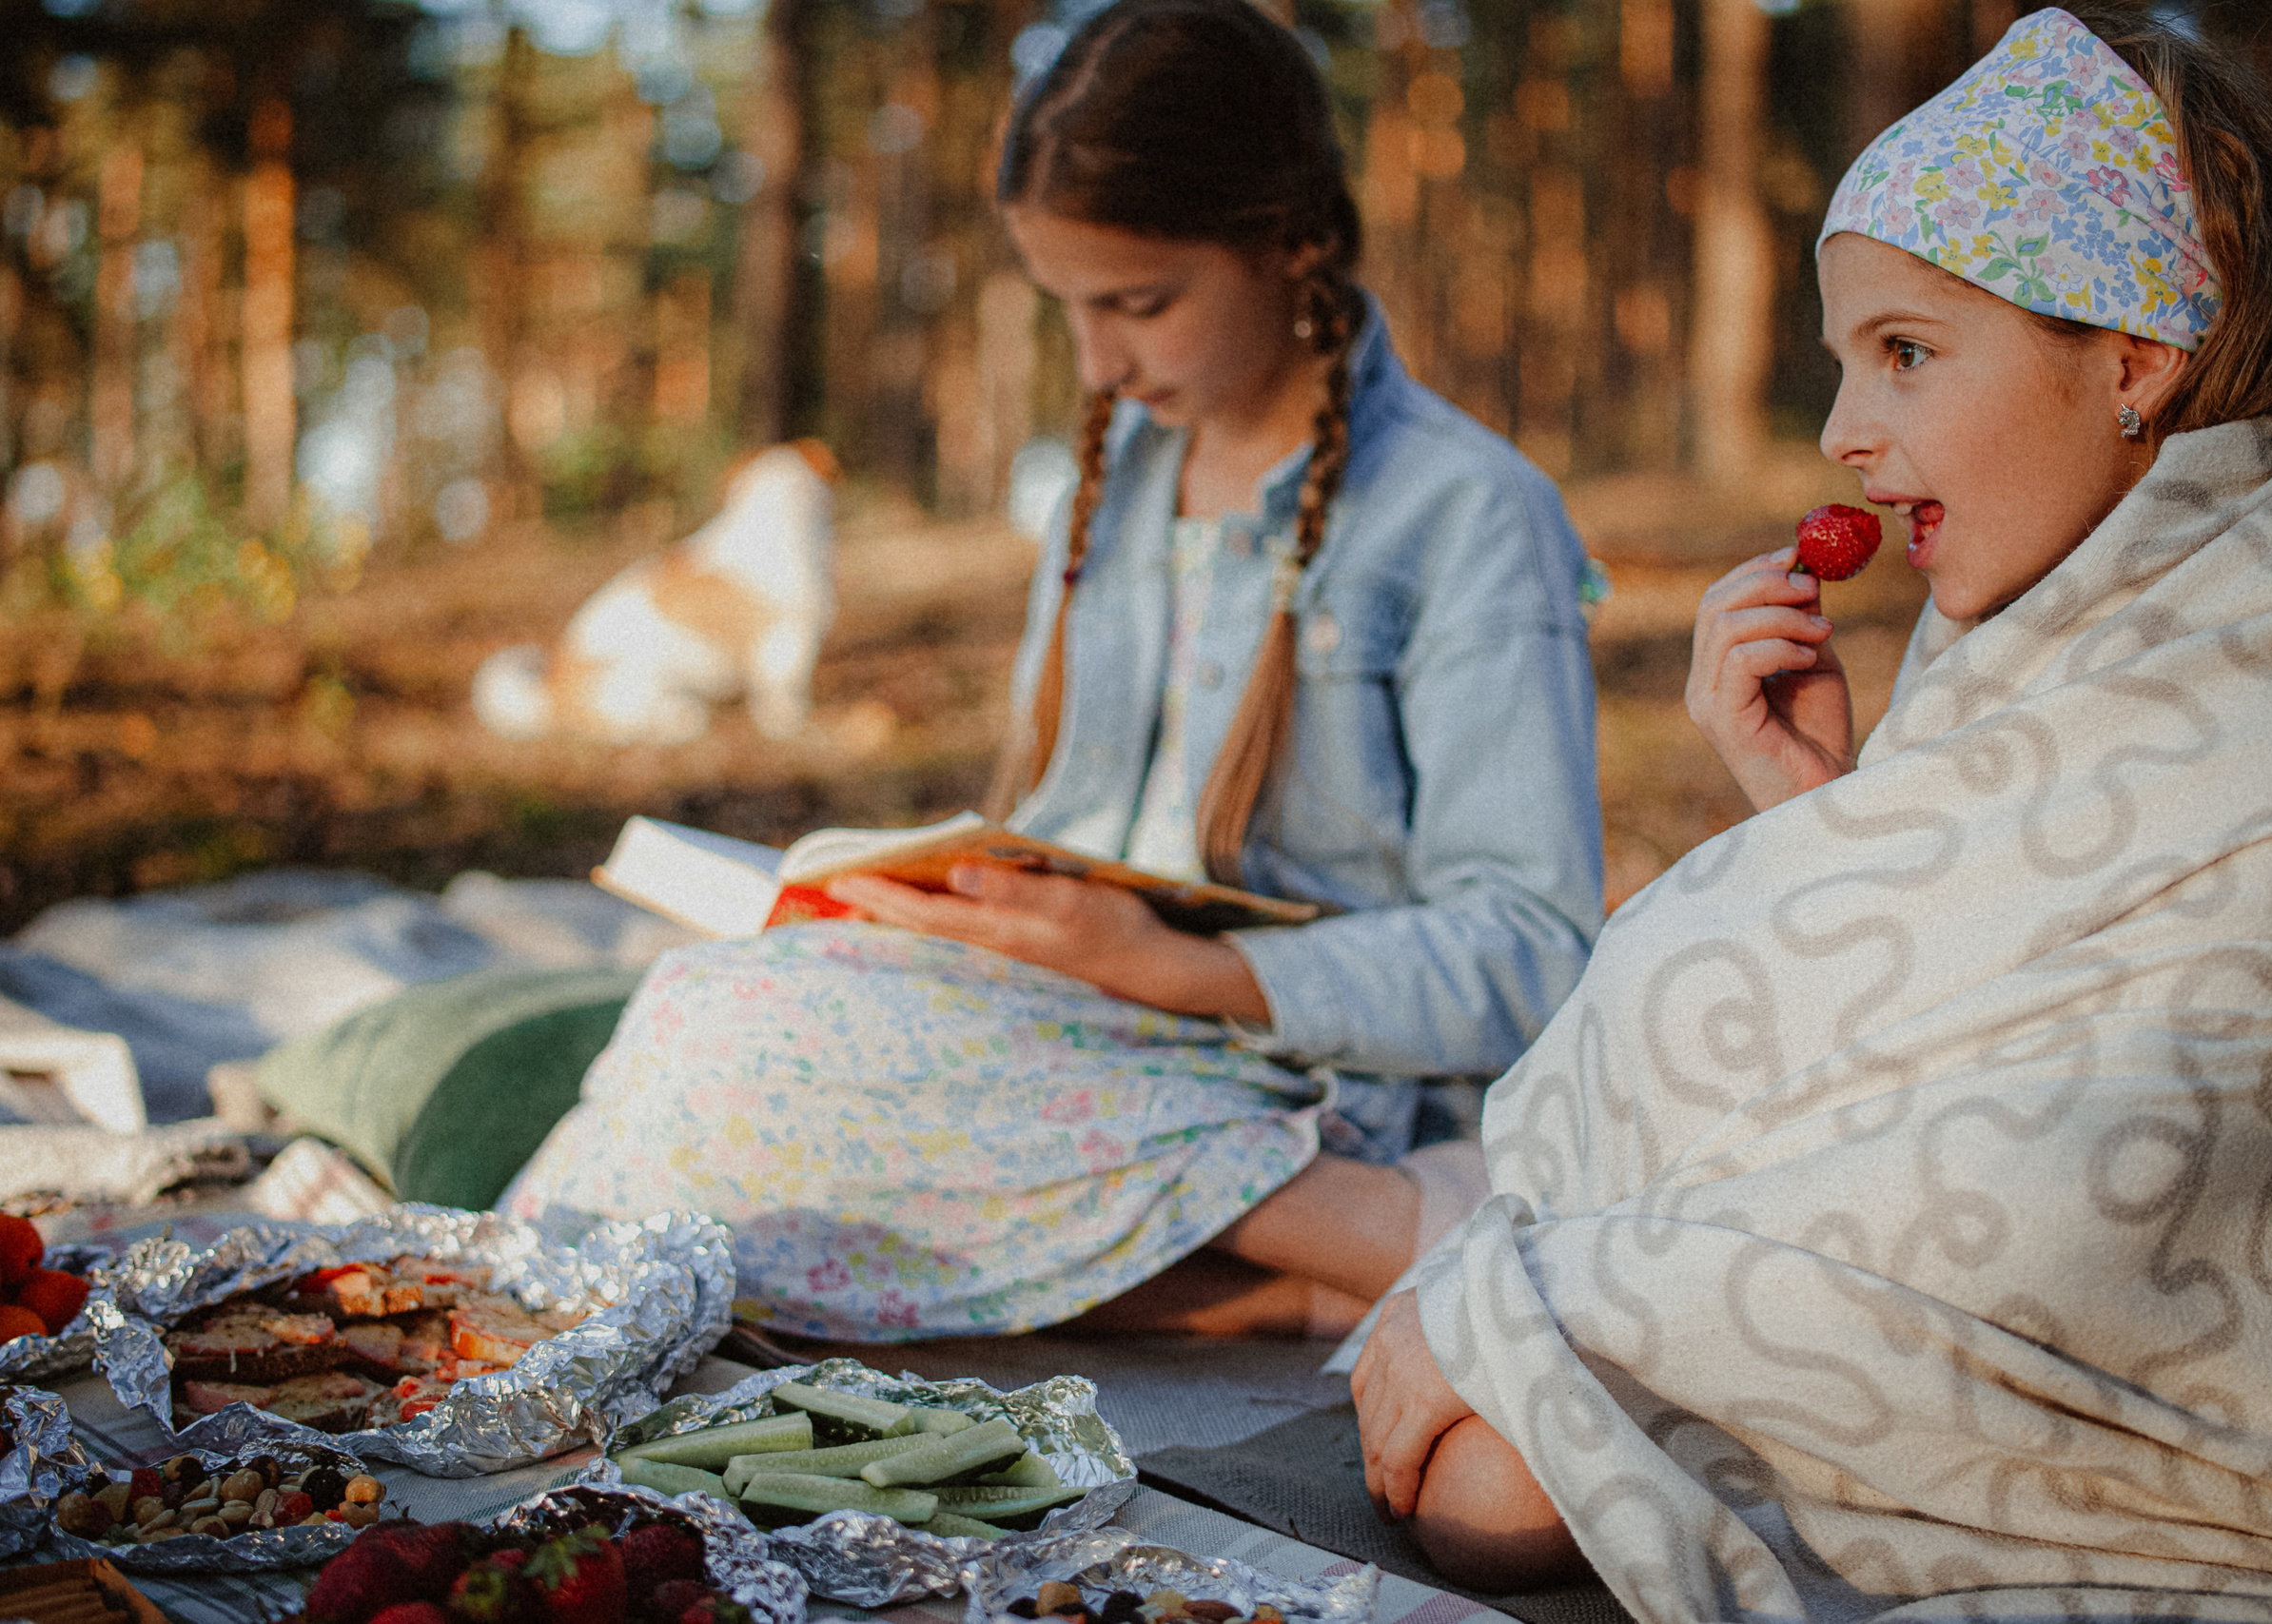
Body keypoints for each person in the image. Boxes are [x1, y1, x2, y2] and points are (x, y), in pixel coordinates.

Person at [1350, 8, 2272, 1615]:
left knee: (1503, 1476)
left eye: (1906, 353)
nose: (1841, 435)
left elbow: (2123, 1142)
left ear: (2133, 355)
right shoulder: (2070, 594)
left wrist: (1562, 1295)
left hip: (2259, 1393)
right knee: (1496, 1462)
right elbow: (1992, 1018)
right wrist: (1821, 821)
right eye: (1843, 358)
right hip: (2011, 1283)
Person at [498, 0, 1605, 1342]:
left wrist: (1189, 975)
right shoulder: (1108, 485)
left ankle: (1354, 1222)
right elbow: (1065, 840)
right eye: (1070, 310)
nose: (1097, 365)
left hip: (1296, 1071)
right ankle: (1285, 1288)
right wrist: (940, 906)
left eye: (1139, 304)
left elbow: (1536, 954)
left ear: (1289, 242)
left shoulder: (1469, 511)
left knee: (753, 1062)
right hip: (1074, 1033)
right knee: (696, 1016)